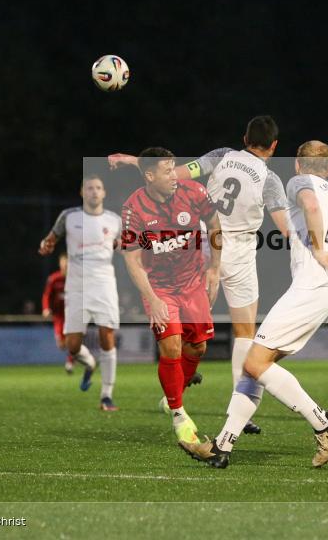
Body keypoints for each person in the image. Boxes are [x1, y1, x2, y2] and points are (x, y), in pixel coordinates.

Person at [179, 140, 328, 468]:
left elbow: (310, 206)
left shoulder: (300, 182)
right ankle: (222, 446)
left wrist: (317, 250)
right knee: (256, 366)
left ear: (298, 164)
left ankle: (323, 423)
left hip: (310, 289)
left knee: (255, 364)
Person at [109, 115, 290, 435]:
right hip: (239, 253)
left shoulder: (220, 156)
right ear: (274, 146)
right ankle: (239, 410)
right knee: (245, 332)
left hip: (202, 246)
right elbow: (286, 229)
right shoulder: (271, 180)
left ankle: (177, 385)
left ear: (243, 138)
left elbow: (175, 173)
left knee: (195, 338)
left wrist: (133, 160)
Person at [119, 147, 221, 444]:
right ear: (149, 175)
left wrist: (214, 269)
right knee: (172, 346)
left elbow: (215, 226)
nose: (173, 175)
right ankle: (178, 413)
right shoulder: (132, 208)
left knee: (198, 349)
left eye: (174, 167)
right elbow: (132, 261)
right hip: (160, 287)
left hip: (192, 281)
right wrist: (153, 298)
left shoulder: (195, 192)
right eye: (166, 170)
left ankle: (172, 395)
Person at [39, 174, 122, 411]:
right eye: (89, 188)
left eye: (98, 188)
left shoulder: (114, 220)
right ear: (82, 193)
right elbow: (51, 239)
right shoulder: (68, 217)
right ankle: (89, 363)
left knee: (107, 335)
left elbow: (126, 245)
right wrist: (46, 245)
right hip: (76, 287)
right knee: (72, 346)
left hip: (105, 284)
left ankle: (106, 395)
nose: (94, 192)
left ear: (104, 193)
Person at [42, 254, 74, 373]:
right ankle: (76, 352)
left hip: (71, 315)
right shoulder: (54, 279)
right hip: (59, 316)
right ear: (60, 264)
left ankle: (70, 362)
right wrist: (46, 308)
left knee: (72, 339)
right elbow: (46, 296)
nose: (65, 266)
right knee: (61, 345)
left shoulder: (76, 279)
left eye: (67, 263)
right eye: (63, 263)